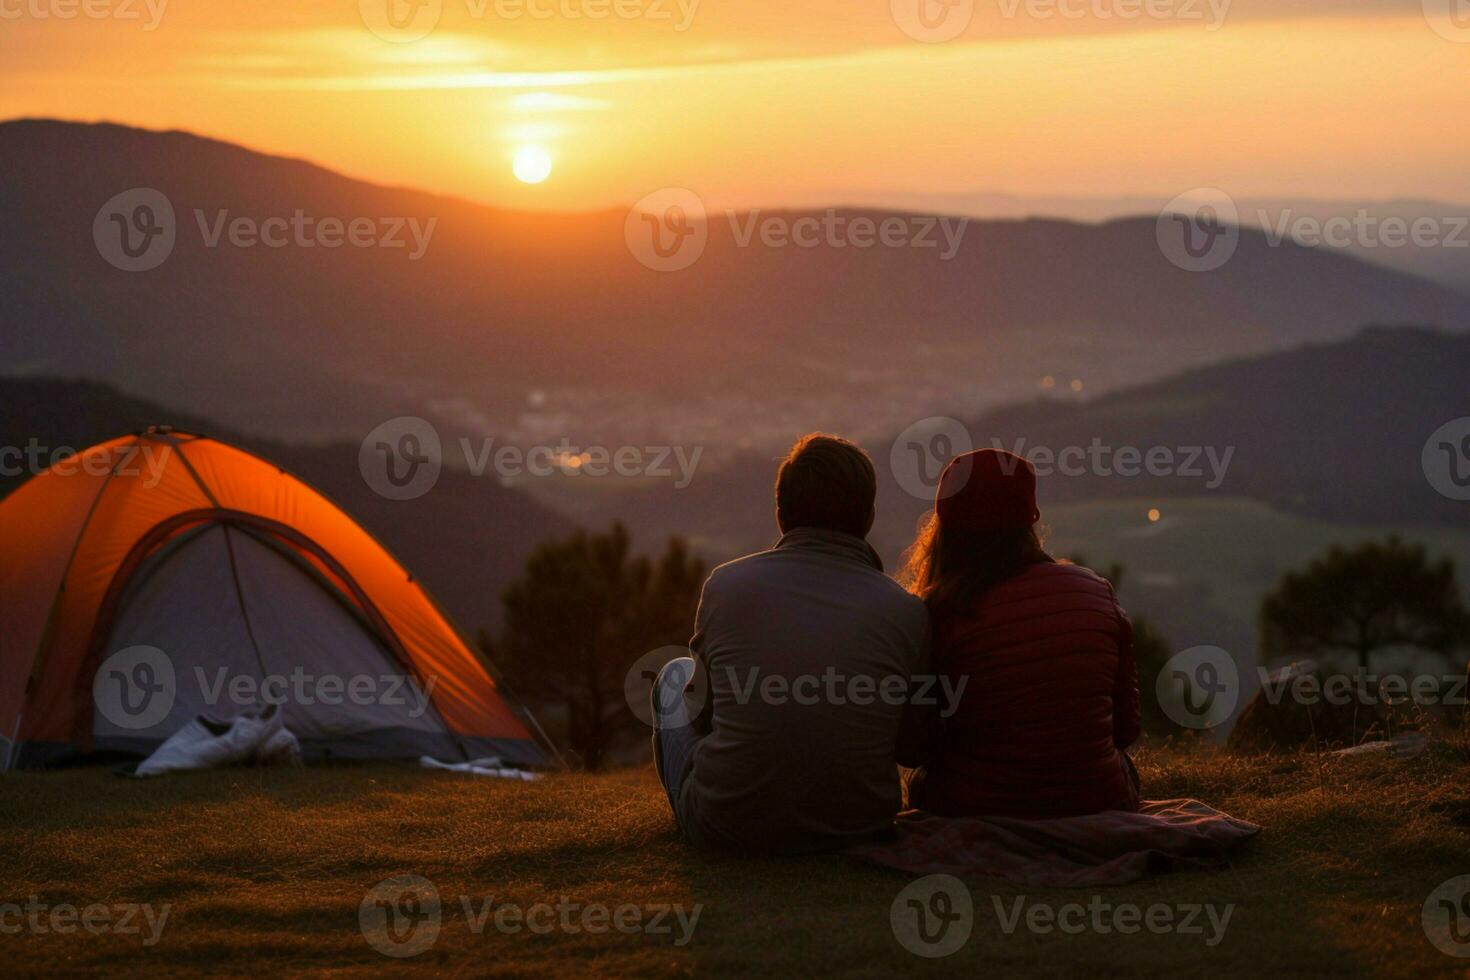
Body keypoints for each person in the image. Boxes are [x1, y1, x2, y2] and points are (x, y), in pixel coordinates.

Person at [652, 433, 930, 853]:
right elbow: (911, 745)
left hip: (728, 829)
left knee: (674, 676)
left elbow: (702, 715)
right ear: (868, 516)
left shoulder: (727, 585)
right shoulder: (906, 611)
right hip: (859, 827)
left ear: (781, 514)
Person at [897, 448, 1141, 818]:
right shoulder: (1094, 591)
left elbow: (915, 747)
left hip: (977, 807)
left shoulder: (938, 613)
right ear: (1030, 520)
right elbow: (1126, 729)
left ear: (943, 530)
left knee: (919, 783)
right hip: (1096, 801)